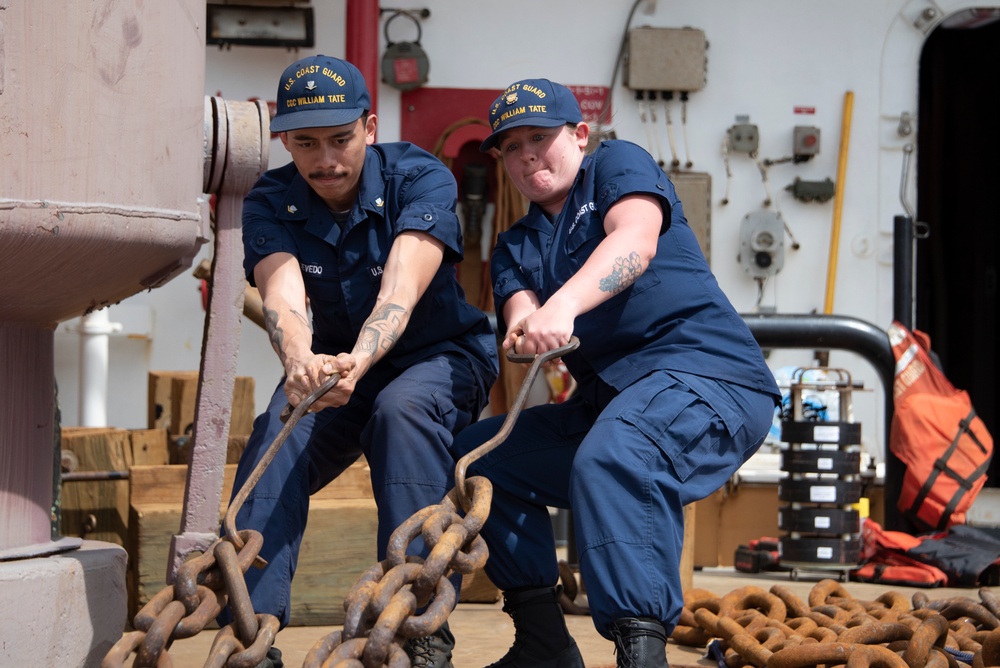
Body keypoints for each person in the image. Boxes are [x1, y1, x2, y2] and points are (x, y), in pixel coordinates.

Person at [450, 79, 781, 668]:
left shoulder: (617, 167)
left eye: (539, 138)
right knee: (480, 459)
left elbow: (635, 241)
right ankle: (542, 643)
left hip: (710, 382)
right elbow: (520, 310)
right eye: (510, 147)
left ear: (579, 135)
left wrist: (564, 306)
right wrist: (527, 324)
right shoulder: (515, 246)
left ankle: (641, 653)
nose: (526, 155)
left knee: (615, 453)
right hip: (617, 402)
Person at [222, 54, 499, 668]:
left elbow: (400, 290)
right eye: (305, 143)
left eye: (341, 139)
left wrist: (359, 360)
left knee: (400, 413)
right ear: (282, 139)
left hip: (438, 358)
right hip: (335, 367)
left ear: (370, 128)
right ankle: (252, 633)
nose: (325, 159)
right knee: (279, 431)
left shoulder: (418, 178)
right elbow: (283, 297)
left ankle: (421, 626)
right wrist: (299, 360)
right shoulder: (270, 200)